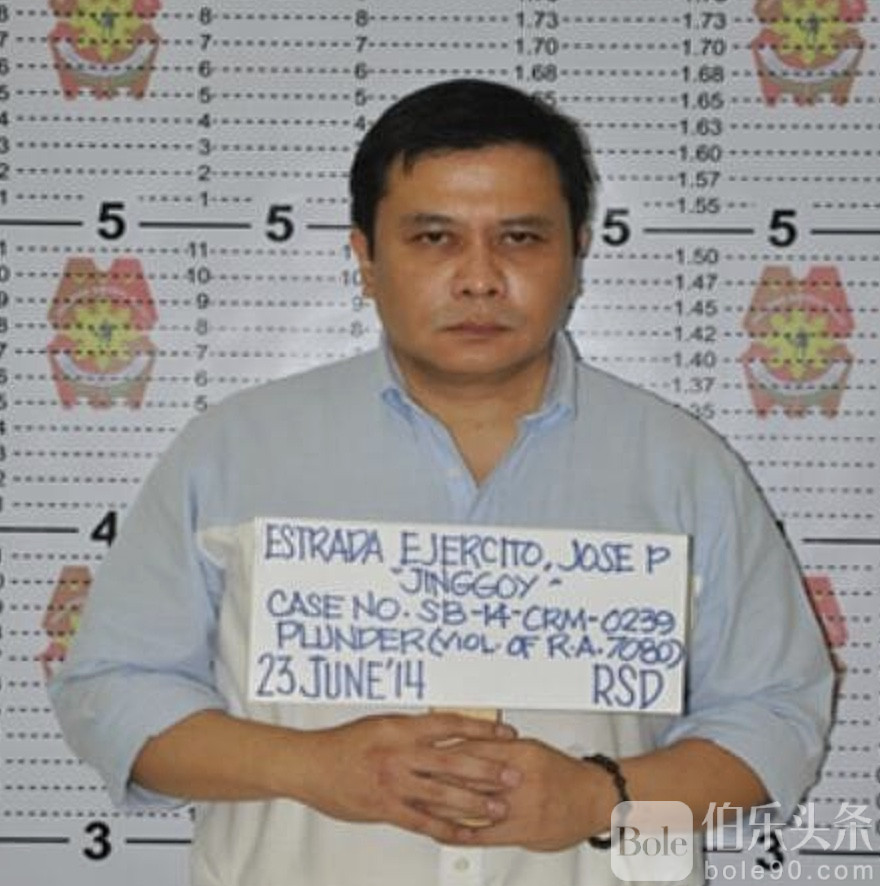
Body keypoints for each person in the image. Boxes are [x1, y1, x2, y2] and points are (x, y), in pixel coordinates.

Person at [51, 79, 833, 886]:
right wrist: (313, 767)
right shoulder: (232, 452)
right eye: (434, 238)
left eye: (521, 238)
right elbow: (112, 693)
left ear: (577, 252)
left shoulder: (685, 469)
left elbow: (776, 719)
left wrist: (600, 798)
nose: (479, 279)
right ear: (365, 257)